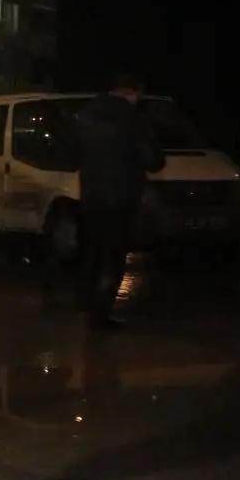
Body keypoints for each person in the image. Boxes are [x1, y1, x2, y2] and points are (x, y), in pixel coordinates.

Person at [74, 73, 164, 327]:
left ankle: (85, 302)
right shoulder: (134, 120)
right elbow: (154, 160)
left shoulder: (86, 114)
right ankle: (101, 314)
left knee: (93, 250)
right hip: (123, 196)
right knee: (113, 256)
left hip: (92, 194)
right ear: (135, 92)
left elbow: (73, 152)